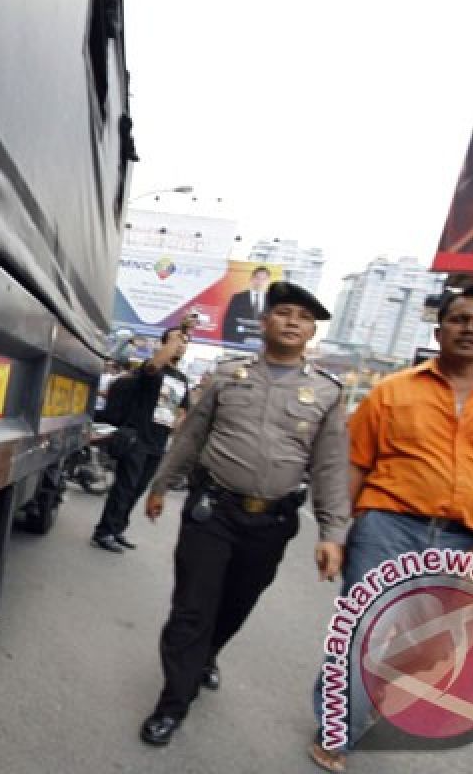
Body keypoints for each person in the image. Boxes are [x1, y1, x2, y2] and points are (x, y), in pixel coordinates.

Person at [308, 283, 473, 773]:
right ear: (440, 329)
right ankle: (338, 728)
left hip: (462, 540)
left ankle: (343, 700)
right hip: (386, 525)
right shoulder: (392, 391)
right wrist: (334, 533)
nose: (470, 329)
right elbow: (354, 465)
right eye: (460, 319)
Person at [139, 281, 350, 747]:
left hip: (271, 523)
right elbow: (192, 437)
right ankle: (174, 700)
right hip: (212, 511)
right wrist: (161, 486)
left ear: (312, 332)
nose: (293, 322)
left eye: (303, 317)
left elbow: (331, 467)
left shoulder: (327, 393)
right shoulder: (227, 376)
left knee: (236, 604)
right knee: (192, 608)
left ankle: (209, 653)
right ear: (264, 322)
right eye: (284, 313)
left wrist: (333, 533)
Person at [90, 328, 191, 553]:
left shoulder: (182, 379)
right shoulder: (152, 368)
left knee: (137, 489)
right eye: (178, 340)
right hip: (138, 438)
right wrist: (174, 339)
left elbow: (183, 409)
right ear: (166, 344)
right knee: (124, 488)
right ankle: (104, 532)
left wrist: (178, 422)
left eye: (185, 342)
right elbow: (155, 365)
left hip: (158, 443)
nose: (182, 344)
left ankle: (117, 529)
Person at [221, 266, 271, 345]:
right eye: (257, 278)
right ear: (251, 279)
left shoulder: (272, 302)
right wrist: (228, 344)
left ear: (268, 281)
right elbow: (228, 323)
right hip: (239, 344)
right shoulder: (238, 298)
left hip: (263, 347)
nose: (260, 281)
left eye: (264, 279)